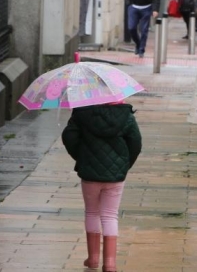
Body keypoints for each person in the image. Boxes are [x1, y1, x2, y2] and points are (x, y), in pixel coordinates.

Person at [61, 102, 142, 272]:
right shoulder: (126, 115)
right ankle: (110, 264)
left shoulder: (81, 113)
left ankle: (93, 259)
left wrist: (82, 157)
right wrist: (124, 165)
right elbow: (136, 143)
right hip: (116, 175)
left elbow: (69, 137)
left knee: (91, 212)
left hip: (89, 173)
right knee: (110, 215)